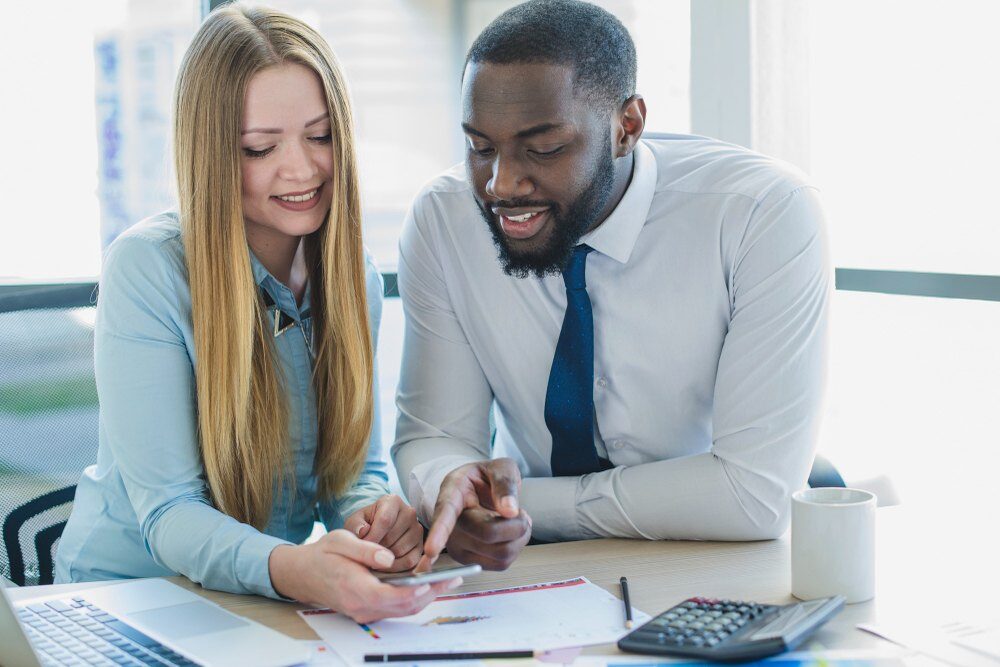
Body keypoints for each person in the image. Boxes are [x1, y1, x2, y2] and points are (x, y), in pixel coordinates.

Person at [393, 0, 830, 572]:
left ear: (628, 127)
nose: (501, 183)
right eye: (480, 147)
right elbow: (432, 434)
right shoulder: (444, 220)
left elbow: (752, 498)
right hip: (541, 564)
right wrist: (451, 485)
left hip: (727, 551)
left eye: (543, 148)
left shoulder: (762, 213)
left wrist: (520, 503)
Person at [55, 5, 457, 623]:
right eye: (260, 147)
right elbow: (170, 513)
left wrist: (373, 517)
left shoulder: (354, 277)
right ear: (212, 153)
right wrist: (298, 570)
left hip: (253, 600)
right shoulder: (148, 269)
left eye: (320, 136)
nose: (301, 169)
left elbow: (351, 472)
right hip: (130, 599)